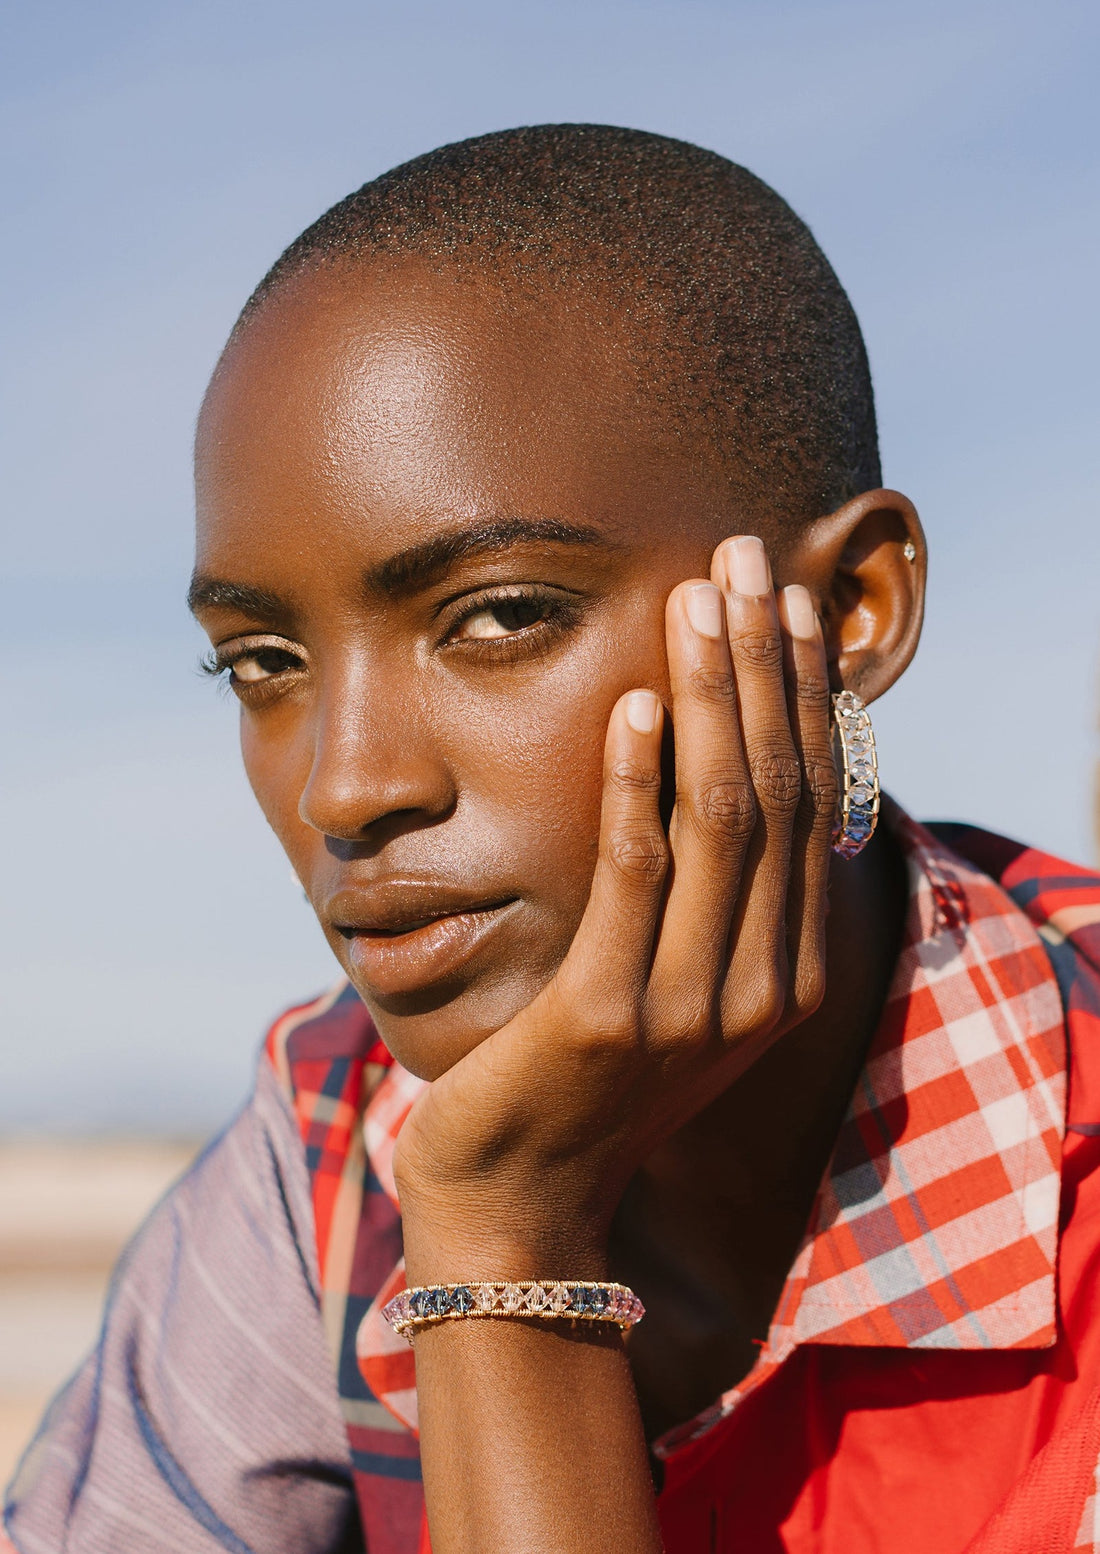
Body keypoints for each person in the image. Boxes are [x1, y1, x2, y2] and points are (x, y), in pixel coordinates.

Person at [5, 124, 1100, 1554]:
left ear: (848, 613)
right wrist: (490, 1207)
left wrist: (503, 1250)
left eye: (502, 615)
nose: (347, 787)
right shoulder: (333, 1141)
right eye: (263, 660)